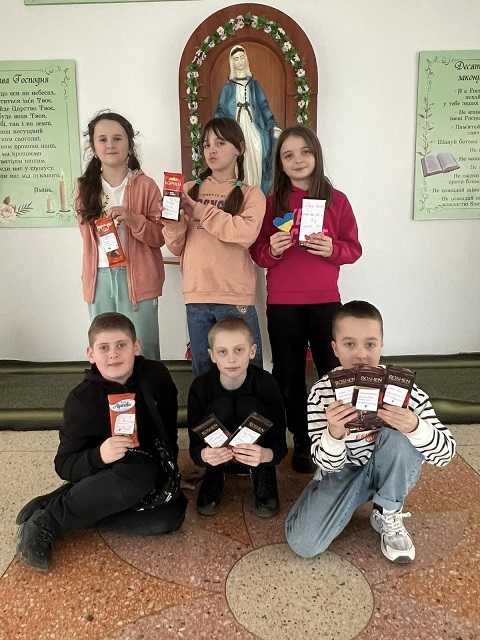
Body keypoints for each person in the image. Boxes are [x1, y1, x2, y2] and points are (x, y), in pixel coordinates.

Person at [285, 301, 456, 564]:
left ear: (381, 345)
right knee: (303, 544)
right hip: (341, 471)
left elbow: (446, 454)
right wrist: (334, 433)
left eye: (370, 344)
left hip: (386, 467)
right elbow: (326, 462)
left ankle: (387, 509)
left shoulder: (405, 390)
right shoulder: (322, 393)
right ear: (335, 348)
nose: (361, 355)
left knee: (399, 440)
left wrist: (414, 427)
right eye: (349, 344)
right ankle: (341, 495)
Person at [16, 312, 187, 572]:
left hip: (148, 467)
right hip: (108, 469)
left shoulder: (157, 376)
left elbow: (168, 428)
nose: (113, 354)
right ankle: (47, 522)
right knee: (136, 475)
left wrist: (173, 466)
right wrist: (100, 455)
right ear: (90, 354)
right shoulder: (81, 400)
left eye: (121, 345)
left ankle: (63, 501)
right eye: (104, 347)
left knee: (168, 519)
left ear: (136, 347)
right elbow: (65, 465)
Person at [250, 126, 362, 473]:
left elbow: (354, 249)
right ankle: (301, 440)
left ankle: (336, 438)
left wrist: (332, 249)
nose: (297, 160)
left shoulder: (337, 200)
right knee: (289, 375)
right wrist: (272, 249)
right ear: (280, 164)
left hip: (326, 302)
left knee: (333, 373)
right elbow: (257, 254)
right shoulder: (271, 203)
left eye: (305, 152)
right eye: (288, 155)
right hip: (283, 303)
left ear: (316, 155)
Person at [162, 117, 266, 377]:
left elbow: (245, 233)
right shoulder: (188, 189)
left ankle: (251, 408)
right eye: (207, 145)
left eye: (220, 143)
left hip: (235, 296)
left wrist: (200, 211)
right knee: (204, 372)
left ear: (239, 148)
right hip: (197, 295)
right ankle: (207, 408)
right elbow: (176, 246)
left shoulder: (252, 194)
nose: (212, 150)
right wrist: (171, 223)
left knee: (247, 372)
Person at [76, 111, 164, 360]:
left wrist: (133, 219)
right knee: (106, 351)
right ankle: (109, 387)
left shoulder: (146, 186)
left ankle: (149, 388)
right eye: (102, 139)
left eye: (117, 138)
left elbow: (160, 236)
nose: (110, 145)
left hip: (139, 279)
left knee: (143, 349)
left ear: (129, 144)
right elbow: (87, 240)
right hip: (99, 278)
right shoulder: (85, 189)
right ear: (93, 147)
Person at [187, 316, 287, 518]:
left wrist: (265, 456)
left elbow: (280, 444)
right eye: (222, 352)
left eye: (239, 350)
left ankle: (263, 475)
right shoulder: (200, 387)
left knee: (248, 404)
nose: (231, 359)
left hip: (256, 455)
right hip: (218, 457)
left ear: (252, 351)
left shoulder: (267, 384)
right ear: (212, 355)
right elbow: (194, 446)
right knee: (221, 405)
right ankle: (214, 475)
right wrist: (206, 456)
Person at [215, 45, 279, 194]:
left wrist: (272, 124)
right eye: (236, 59)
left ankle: (256, 190)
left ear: (246, 59)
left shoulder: (254, 85)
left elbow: (263, 106)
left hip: (253, 124)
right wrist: (217, 128)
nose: (240, 61)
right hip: (235, 127)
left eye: (242, 58)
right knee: (236, 155)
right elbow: (221, 109)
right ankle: (239, 192)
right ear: (232, 62)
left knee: (258, 150)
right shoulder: (228, 88)